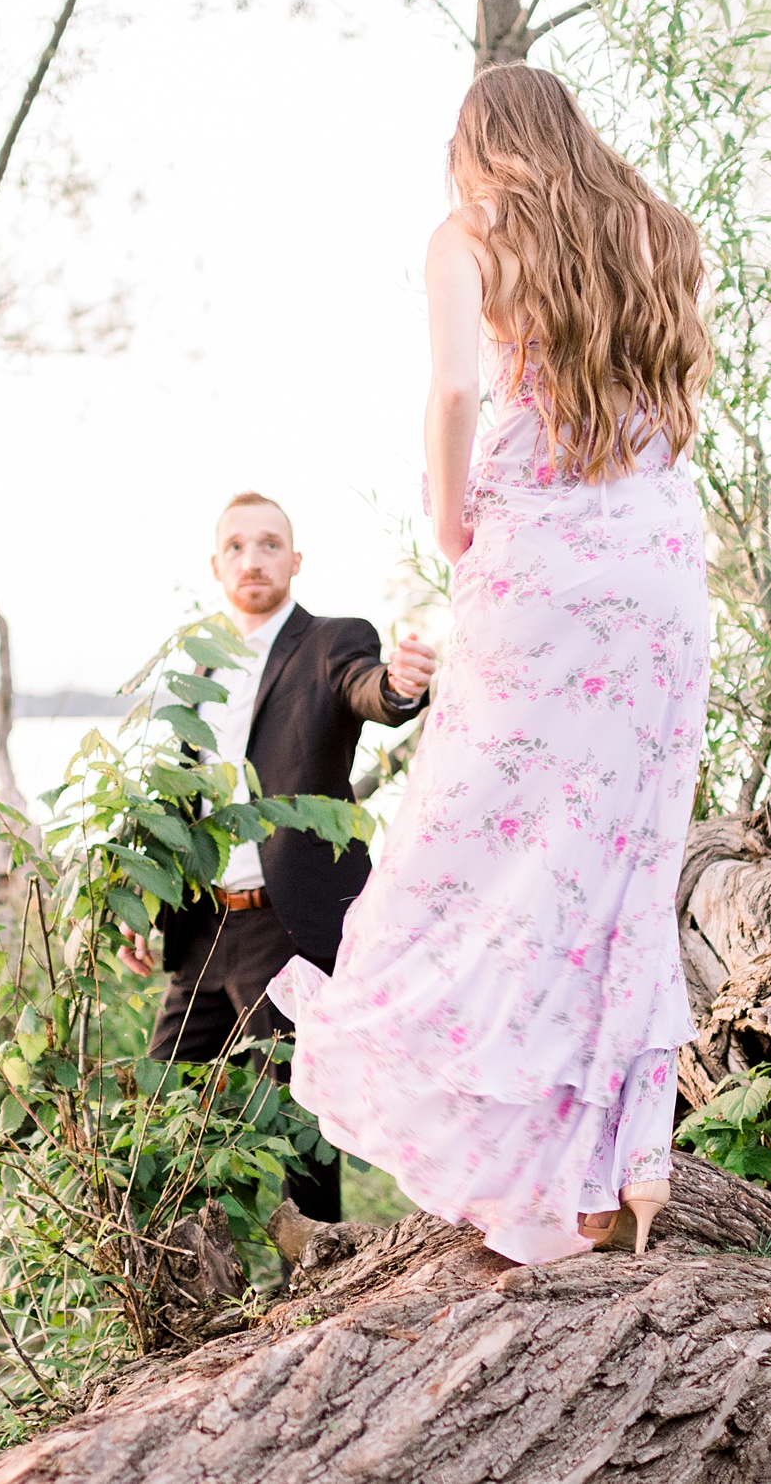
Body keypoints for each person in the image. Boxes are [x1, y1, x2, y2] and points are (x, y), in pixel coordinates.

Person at [268, 65, 714, 1265]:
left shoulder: (469, 235)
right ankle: (611, 1179)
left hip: (541, 572)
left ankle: (525, 1165)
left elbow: (459, 385)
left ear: (479, 146)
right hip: (664, 576)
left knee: (478, 854)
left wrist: (453, 522)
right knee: (618, 867)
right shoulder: (657, 234)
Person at [120, 491, 435, 1222]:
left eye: (268, 545)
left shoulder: (330, 640)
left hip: (283, 925)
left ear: (295, 560)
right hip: (202, 929)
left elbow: (371, 690)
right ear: (215, 564)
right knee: (166, 1105)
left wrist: (399, 686)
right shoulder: (194, 671)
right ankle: (181, 1282)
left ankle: (315, 1285)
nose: (252, 559)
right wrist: (140, 910)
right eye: (236, 546)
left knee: (297, 1122)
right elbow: (175, 807)